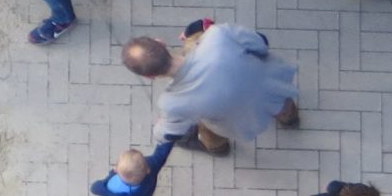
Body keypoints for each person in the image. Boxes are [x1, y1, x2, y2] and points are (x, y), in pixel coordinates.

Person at [125, 23, 301, 156]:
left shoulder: (170, 103)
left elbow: (167, 134)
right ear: (161, 42)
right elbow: (261, 44)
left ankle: (217, 148)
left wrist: (159, 129)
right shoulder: (218, 35)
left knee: (206, 128)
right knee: (282, 102)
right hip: (271, 89)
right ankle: (289, 119)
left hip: (237, 121)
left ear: (150, 76)